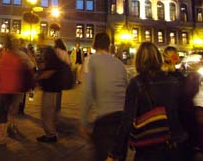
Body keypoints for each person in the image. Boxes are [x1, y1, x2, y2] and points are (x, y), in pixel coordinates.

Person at [107, 41, 188, 161]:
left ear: (138, 60)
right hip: (173, 143)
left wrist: (115, 152)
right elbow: (183, 111)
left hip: (149, 145)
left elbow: (127, 120)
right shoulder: (174, 81)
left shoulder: (137, 83)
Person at [80, 32, 128, 161]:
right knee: (118, 155)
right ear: (109, 45)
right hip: (122, 118)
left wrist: (83, 120)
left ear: (94, 44)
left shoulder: (91, 60)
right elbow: (127, 88)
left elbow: (87, 91)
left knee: (102, 154)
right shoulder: (119, 63)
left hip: (105, 117)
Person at [0, 35, 31, 144]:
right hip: (15, 89)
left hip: (3, 89)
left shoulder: (3, 56)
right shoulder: (18, 57)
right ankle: (8, 128)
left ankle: (1, 137)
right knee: (10, 110)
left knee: (1, 113)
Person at [36, 46, 63, 143]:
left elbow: (47, 74)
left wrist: (37, 78)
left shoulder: (53, 62)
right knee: (49, 113)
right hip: (51, 90)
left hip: (51, 91)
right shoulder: (54, 61)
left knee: (47, 113)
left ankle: (51, 135)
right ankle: (50, 133)